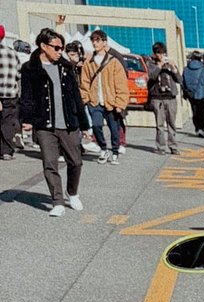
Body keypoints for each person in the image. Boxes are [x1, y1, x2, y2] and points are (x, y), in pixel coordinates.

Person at [19, 26, 87, 214]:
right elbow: (26, 96)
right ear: (43, 46)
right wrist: (27, 119)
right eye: (56, 47)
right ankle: (57, 201)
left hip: (68, 123)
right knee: (50, 163)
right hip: (44, 125)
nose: (59, 52)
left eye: (61, 48)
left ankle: (72, 193)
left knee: (76, 162)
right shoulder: (30, 69)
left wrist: (84, 124)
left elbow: (75, 96)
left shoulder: (66, 67)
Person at [78, 29, 130, 164]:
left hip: (111, 102)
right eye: (93, 40)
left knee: (114, 129)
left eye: (98, 40)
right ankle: (103, 148)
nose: (95, 43)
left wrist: (120, 103)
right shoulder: (88, 62)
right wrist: (85, 99)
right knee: (96, 126)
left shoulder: (113, 62)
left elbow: (121, 84)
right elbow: (84, 82)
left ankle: (115, 151)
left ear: (104, 42)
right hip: (94, 101)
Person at [146, 41, 182, 155]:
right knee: (160, 124)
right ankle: (161, 147)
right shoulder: (151, 64)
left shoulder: (170, 64)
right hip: (158, 97)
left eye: (162, 53)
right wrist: (159, 66)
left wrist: (174, 68)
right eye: (157, 53)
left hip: (170, 97)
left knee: (171, 123)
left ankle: (173, 146)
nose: (160, 55)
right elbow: (151, 76)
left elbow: (179, 80)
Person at [0, 25, 21, 160]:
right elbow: (18, 74)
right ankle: (6, 151)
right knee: (7, 122)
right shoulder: (12, 53)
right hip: (10, 94)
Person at [183, 51, 204, 134]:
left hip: (191, 94)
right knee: (202, 112)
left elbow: (183, 82)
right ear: (200, 59)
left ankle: (196, 127)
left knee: (194, 111)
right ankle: (201, 128)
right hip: (202, 94)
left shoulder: (186, 69)